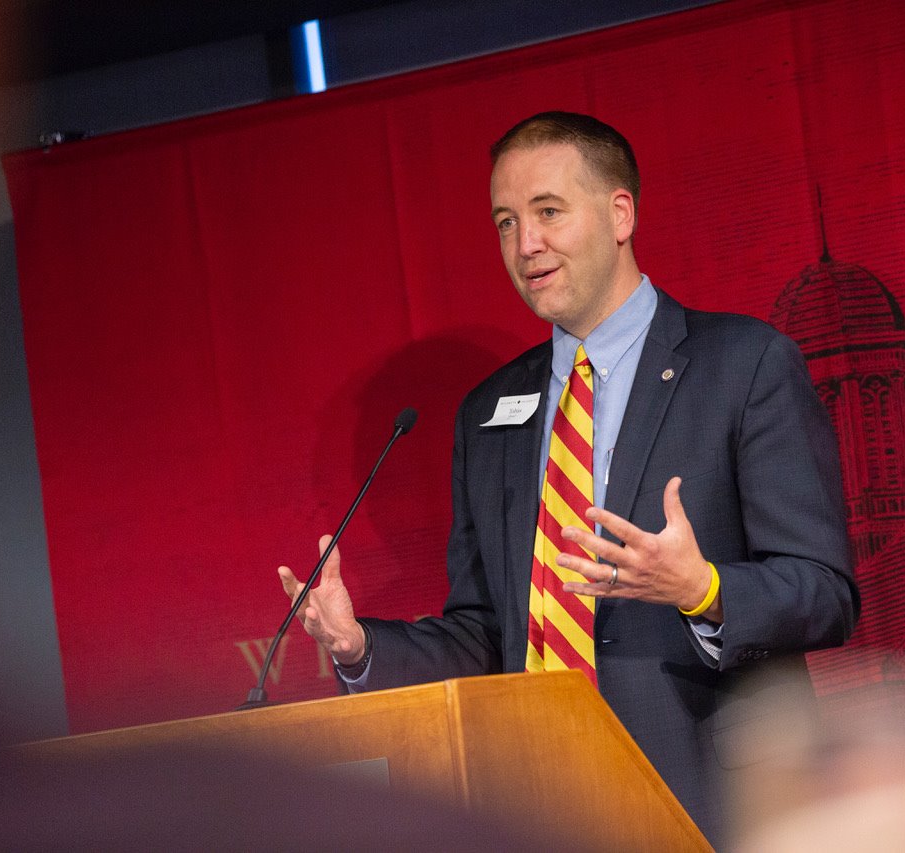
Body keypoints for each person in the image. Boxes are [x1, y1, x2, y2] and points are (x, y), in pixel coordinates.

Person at [278, 111, 857, 844]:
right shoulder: (488, 412)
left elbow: (824, 593)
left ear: (621, 213)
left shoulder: (744, 365)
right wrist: (360, 645)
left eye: (548, 212)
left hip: (714, 804)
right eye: (505, 222)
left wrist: (701, 589)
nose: (527, 245)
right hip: (545, 807)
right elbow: (490, 633)